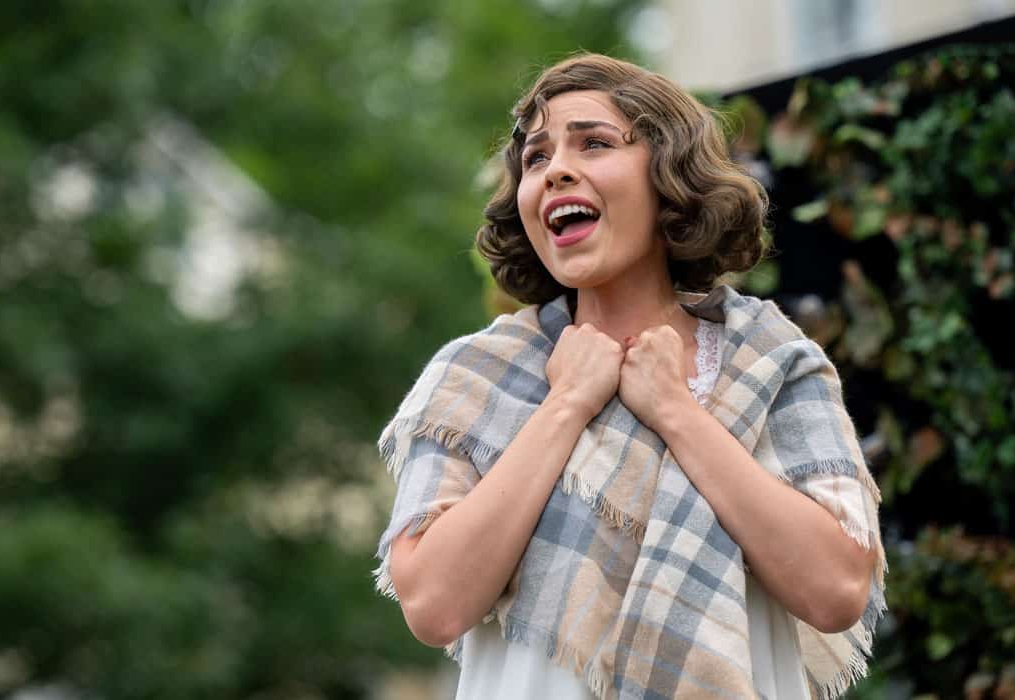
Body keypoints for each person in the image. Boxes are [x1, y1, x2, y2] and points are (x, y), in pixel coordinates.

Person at [374, 53, 886, 700]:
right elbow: (435, 606)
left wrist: (676, 410)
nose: (556, 168)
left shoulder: (772, 362)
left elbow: (837, 589)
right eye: (535, 158)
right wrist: (565, 405)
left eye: (594, 143)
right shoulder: (475, 375)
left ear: (670, 175)